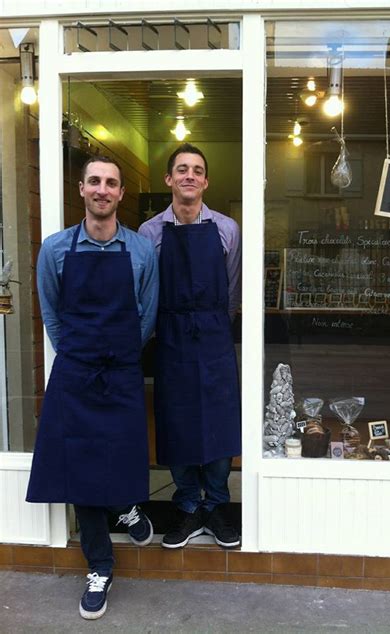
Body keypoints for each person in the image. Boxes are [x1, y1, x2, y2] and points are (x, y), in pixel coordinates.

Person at [26, 156, 158, 620]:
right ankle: (100, 564)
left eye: (112, 184)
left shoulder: (141, 251)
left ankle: (124, 503)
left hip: (121, 369)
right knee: (80, 464)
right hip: (75, 371)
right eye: (95, 182)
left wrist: (117, 352)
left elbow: (146, 315)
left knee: (120, 452)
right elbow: (52, 315)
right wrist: (80, 354)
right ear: (81, 189)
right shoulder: (56, 249)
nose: (103, 190)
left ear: (121, 194)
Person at [139, 143, 241, 549]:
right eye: (181, 169)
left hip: (215, 334)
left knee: (219, 420)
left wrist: (215, 323)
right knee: (177, 420)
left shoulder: (227, 229)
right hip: (171, 338)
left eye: (197, 170)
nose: (189, 176)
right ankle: (185, 505)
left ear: (205, 181)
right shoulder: (149, 233)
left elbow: (232, 291)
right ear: (169, 179)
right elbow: (147, 291)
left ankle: (216, 505)